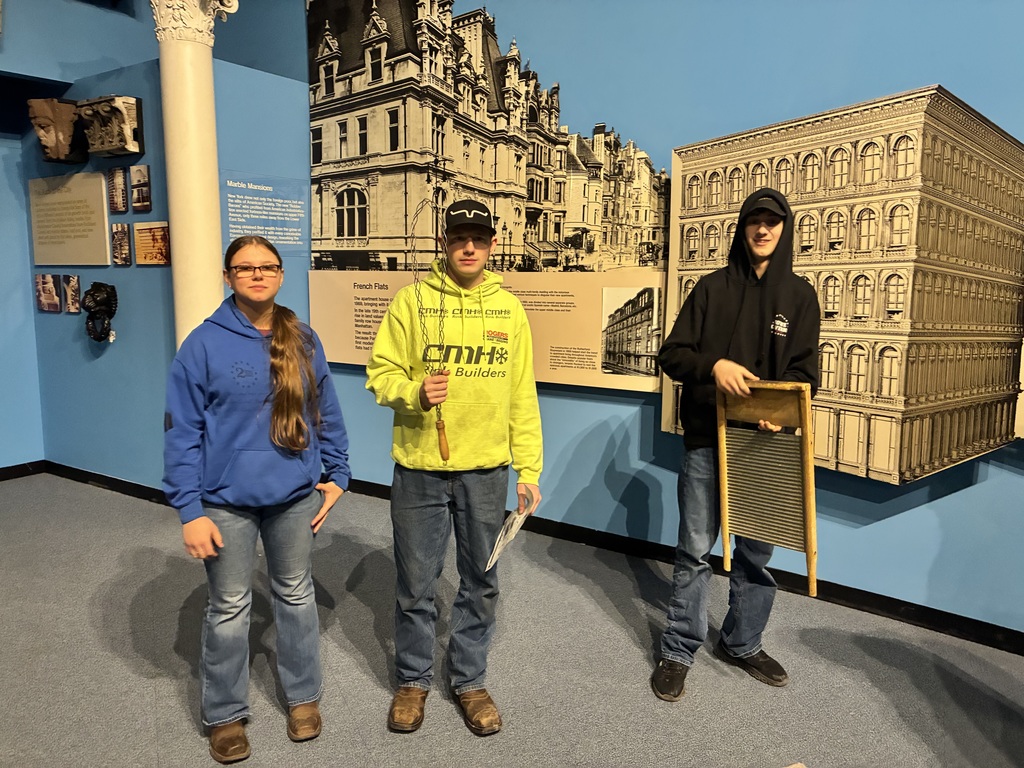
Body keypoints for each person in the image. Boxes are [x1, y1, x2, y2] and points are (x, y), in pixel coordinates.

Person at [163, 235, 350, 763]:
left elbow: (325, 411)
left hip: (293, 495)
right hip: (225, 500)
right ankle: (224, 713)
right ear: (228, 277)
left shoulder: (303, 338)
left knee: (294, 593)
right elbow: (180, 432)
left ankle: (303, 698)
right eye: (244, 268)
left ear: (280, 275)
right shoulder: (202, 344)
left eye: (267, 267)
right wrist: (189, 511)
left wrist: (337, 474)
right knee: (229, 606)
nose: (257, 275)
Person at [366, 199, 543, 736]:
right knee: (416, 582)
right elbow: (379, 375)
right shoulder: (411, 302)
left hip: (486, 471)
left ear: (491, 245)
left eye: (480, 238)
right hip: (420, 466)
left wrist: (529, 468)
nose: (469, 246)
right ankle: (414, 679)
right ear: (445, 243)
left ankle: (469, 679)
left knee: (481, 579)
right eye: (460, 237)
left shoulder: (509, 310)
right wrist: (414, 391)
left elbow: (522, 395)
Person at [651, 188, 820, 701]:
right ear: (742, 229)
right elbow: (672, 354)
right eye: (754, 221)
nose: (763, 230)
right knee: (695, 550)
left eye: (772, 222)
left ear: (785, 229)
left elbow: (806, 374)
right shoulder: (710, 290)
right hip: (707, 438)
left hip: (766, 447)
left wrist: (779, 415)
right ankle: (679, 647)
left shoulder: (801, 296)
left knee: (755, 554)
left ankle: (743, 642)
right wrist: (714, 365)